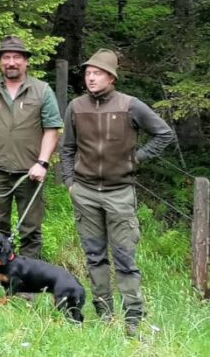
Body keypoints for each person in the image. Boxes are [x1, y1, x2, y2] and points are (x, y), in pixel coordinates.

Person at [61, 49, 175, 335]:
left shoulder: (130, 105)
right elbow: (67, 148)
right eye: (88, 73)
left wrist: (137, 158)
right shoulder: (76, 107)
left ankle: (133, 319)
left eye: (97, 73)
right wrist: (69, 183)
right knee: (94, 255)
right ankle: (104, 314)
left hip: (120, 192)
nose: (91, 78)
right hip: (84, 192)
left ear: (111, 77)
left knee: (124, 257)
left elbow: (164, 134)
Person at [0, 36, 62, 259]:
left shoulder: (42, 91)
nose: (11, 62)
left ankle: (30, 280)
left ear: (26, 61)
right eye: (6, 57)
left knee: (30, 228)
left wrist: (42, 162)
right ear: (0, 61)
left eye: (16, 57)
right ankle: (1, 277)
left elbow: (52, 128)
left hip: (30, 171)